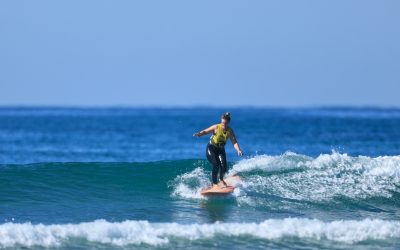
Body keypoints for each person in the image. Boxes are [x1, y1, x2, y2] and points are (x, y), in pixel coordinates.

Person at [193, 112, 243, 190]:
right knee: (216, 164)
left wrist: (238, 150)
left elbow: (234, 141)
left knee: (224, 167)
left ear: (228, 123)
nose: (223, 125)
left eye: (225, 123)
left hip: (220, 150)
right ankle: (214, 184)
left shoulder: (230, 131)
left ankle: (221, 179)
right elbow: (206, 131)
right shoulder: (216, 127)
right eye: (222, 123)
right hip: (211, 148)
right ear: (221, 121)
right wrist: (199, 134)